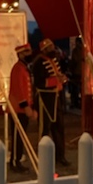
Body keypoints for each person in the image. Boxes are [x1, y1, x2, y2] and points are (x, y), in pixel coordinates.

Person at [31, 37, 69, 167]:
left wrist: (62, 79)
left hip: (56, 98)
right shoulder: (38, 63)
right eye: (50, 48)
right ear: (45, 50)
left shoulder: (54, 60)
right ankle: (43, 156)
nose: (53, 49)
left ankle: (60, 156)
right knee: (44, 129)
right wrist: (56, 80)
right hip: (45, 99)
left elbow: (57, 75)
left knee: (59, 128)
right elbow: (39, 82)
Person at [7, 43, 36, 171]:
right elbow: (19, 90)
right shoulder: (18, 69)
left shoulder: (24, 68)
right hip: (17, 109)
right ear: (20, 55)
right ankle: (14, 161)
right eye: (27, 52)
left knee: (21, 136)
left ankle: (18, 159)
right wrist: (26, 107)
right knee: (17, 137)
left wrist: (31, 107)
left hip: (24, 108)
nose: (30, 54)